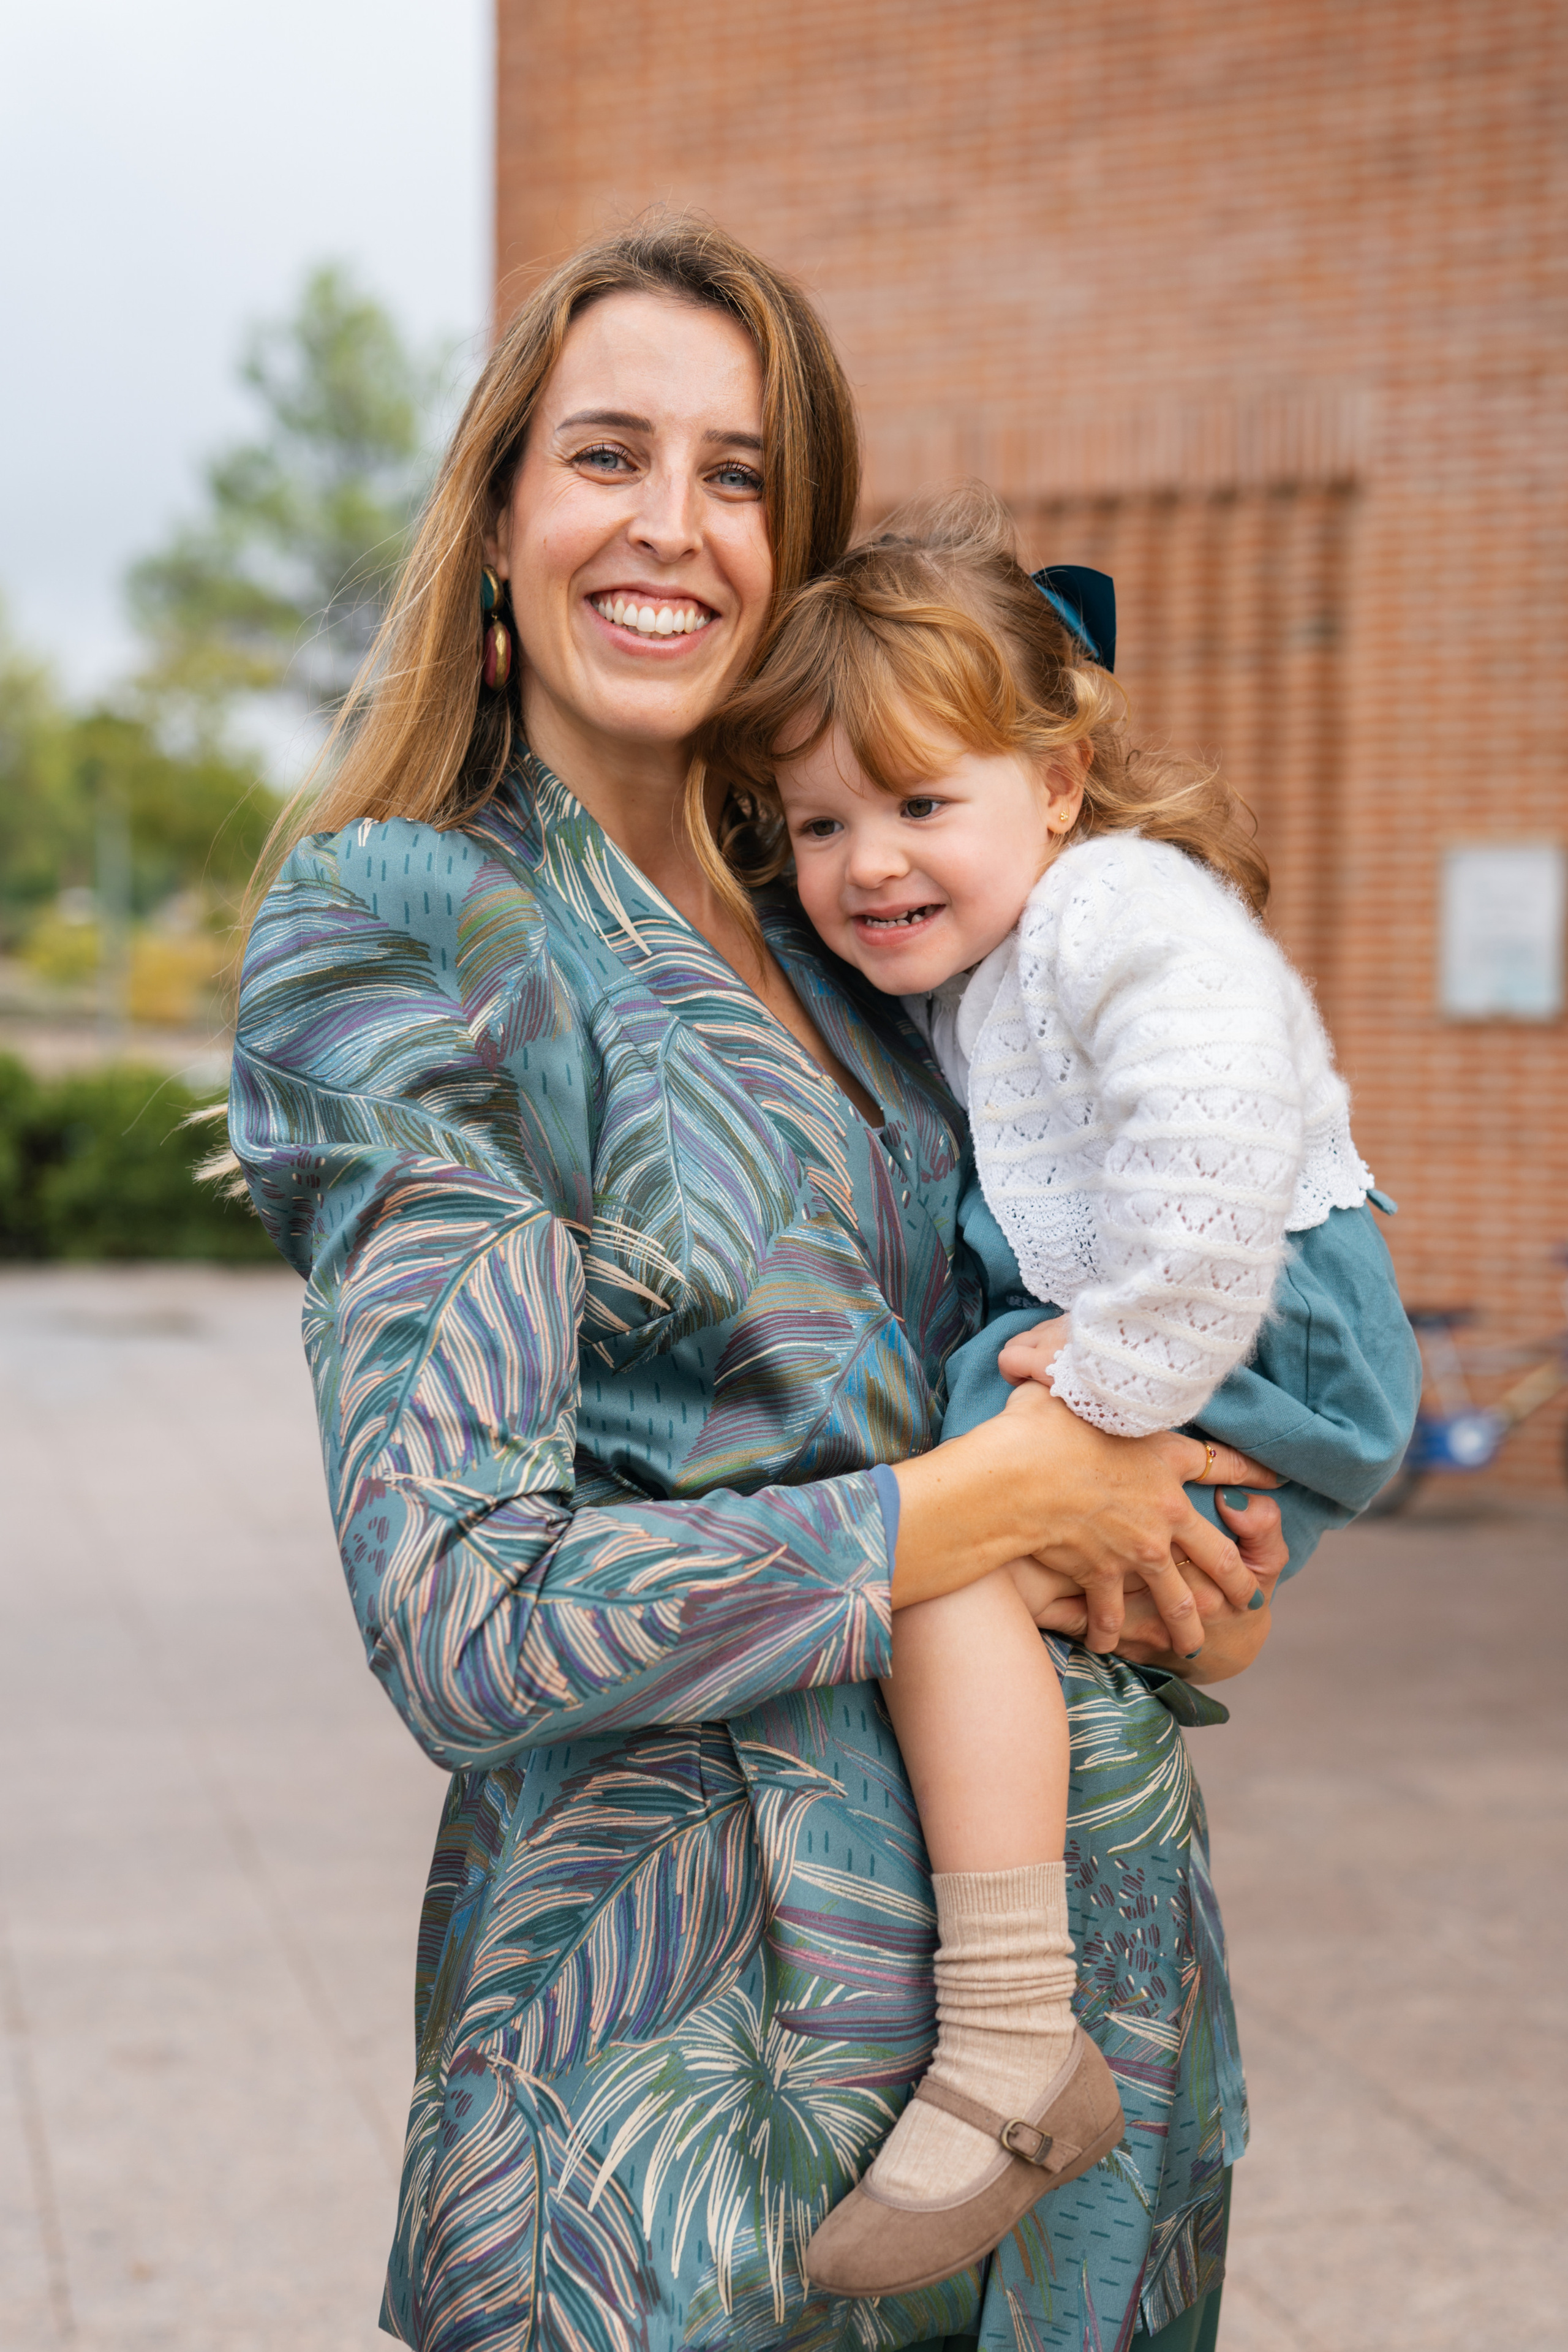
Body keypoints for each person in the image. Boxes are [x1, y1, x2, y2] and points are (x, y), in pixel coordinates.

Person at [228, 216, 1361, 2352]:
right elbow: (467, 1618)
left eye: (741, 474)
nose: (674, 526)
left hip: (1070, 2055)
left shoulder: (856, 901)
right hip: (686, 2079)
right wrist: (1011, 1503)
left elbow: (1035, 1323)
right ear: (492, 523)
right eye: (607, 456)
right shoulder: (418, 929)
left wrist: (1182, 1516)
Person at [708, 488, 1421, 2299]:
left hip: (1249, 1324)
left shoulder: (1124, 913)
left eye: (922, 803)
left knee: (944, 1566)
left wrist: (1102, 1402)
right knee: (1016, 1579)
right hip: (1187, 1342)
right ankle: (1187, 1636)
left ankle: (1014, 2031)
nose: (869, 861)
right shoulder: (976, 952)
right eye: (820, 822)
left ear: (1063, 784)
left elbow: (1210, 1149)